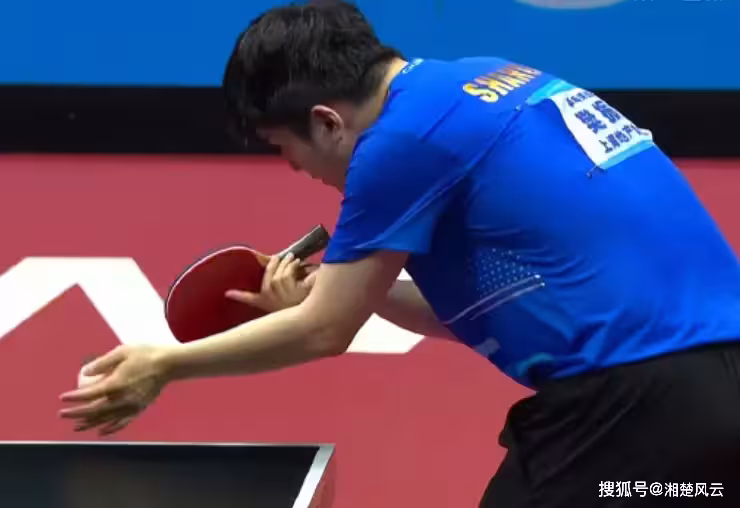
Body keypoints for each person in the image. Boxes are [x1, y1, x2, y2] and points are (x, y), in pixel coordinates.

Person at [59, 1, 740, 505]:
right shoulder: (482, 81)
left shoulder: (399, 144)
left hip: (631, 410)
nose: (297, 171)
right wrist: (349, 290)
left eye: (285, 150)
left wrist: (164, 365)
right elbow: (481, 310)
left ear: (326, 121)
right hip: (711, 400)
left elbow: (323, 332)